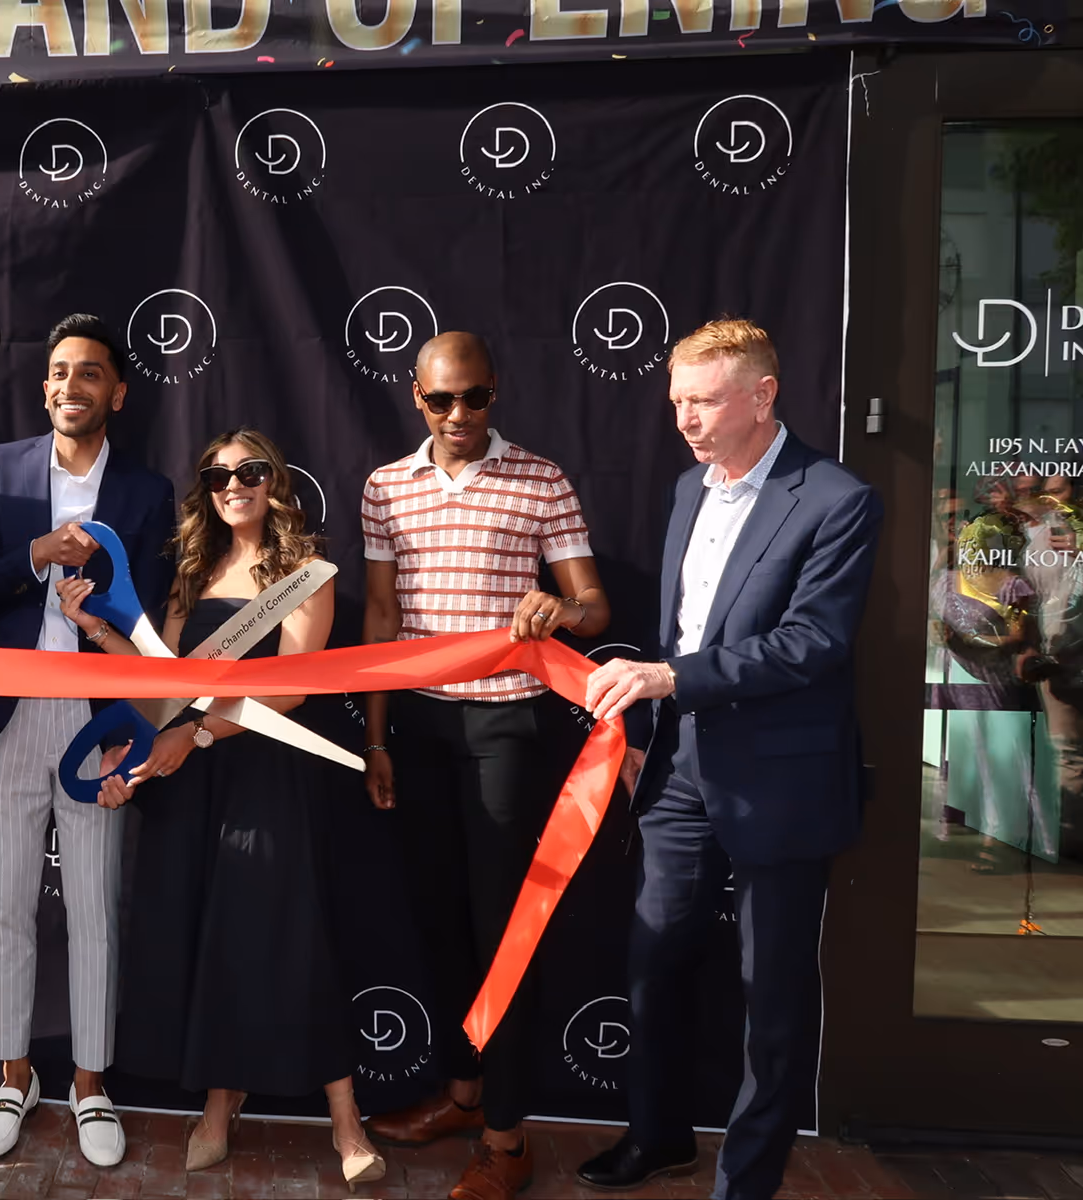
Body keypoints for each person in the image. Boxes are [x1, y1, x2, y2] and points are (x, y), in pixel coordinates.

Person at [582, 319, 882, 1199]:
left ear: (762, 395)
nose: (685, 419)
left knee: (771, 995)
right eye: (676, 400)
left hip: (780, 784)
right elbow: (687, 628)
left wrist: (668, 678)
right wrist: (648, 728)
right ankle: (658, 1136)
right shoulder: (687, 491)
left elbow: (810, 644)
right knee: (650, 960)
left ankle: (744, 1184)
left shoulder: (835, 499)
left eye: (704, 400)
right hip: (680, 772)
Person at [61, 427, 386, 1185]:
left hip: (269, 769)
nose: (233, 483)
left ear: (275, 479)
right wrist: (98, 631)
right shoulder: (191, 570)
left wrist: (196, 736)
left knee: (292, 937)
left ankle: (346, 1120)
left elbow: (293, 687)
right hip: (193, 778)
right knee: (210, 933)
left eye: (249, 471)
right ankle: (216, 1108)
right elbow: (164, 682)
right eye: (217, 474)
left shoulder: (306, 570)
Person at [360, 331, 610, 1200]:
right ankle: (465, 1096)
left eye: (474, 398)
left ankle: (506, 1140)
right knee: (439, 922)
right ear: (416, 398)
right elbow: (383, 617)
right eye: (441, 400)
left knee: (507, 931)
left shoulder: (540, 478)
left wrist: (560, 607)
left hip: (507, 729)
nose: (458, 415)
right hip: (419, 733)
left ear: (495, 393)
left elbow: (593, 605)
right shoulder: (385, 486)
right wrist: (379, 738)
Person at [0, 313, 175, 1167]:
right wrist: (33, 555)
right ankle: (13, 1076)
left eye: (89, 374)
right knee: (6, 905)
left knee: (92, 910)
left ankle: (91, 1085)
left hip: (99, 721)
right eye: (57, 372)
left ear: (116, 393)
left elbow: (154, 623)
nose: (69, 386)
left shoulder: (148, 491)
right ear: (43, 385)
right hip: (8, 712)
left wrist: (135, 730)